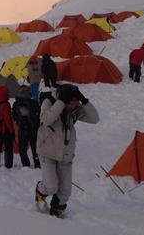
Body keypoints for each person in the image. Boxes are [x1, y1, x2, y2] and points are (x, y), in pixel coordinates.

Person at [35, 84, 99, 218]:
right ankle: (40, 191)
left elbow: (94, 119)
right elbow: (46, 120)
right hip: (48, 151)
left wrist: (85, 101)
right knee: (51, 187)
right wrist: (61, 102)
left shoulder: (74, 109)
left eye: (76, 103)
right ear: (64, 99)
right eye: (71, 103)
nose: (74, 106)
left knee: (65, 192)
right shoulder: (48, 103)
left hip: (65, 153)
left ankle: (57, 210)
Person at [12, 91, 41, 168]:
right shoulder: (34, 102)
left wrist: (19, 123)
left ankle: (25, 165)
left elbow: (14, 115)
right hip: (33, 128)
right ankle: (37, 163)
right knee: (35, 147)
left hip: (22, 128)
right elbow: (39, 115)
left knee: (22, 148)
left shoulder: (16, 103)